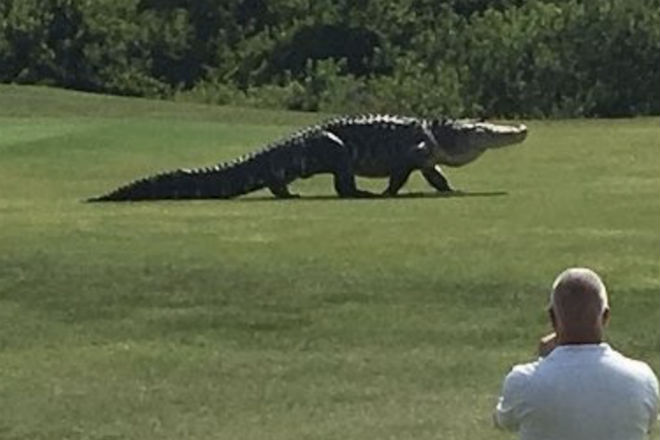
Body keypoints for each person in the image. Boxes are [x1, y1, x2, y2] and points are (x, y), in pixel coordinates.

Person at [494, 267, 659, 439]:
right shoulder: (642, 379)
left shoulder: (523, 381)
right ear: (605, 317)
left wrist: (544, 360)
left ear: (552, 317)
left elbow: (503, 420)